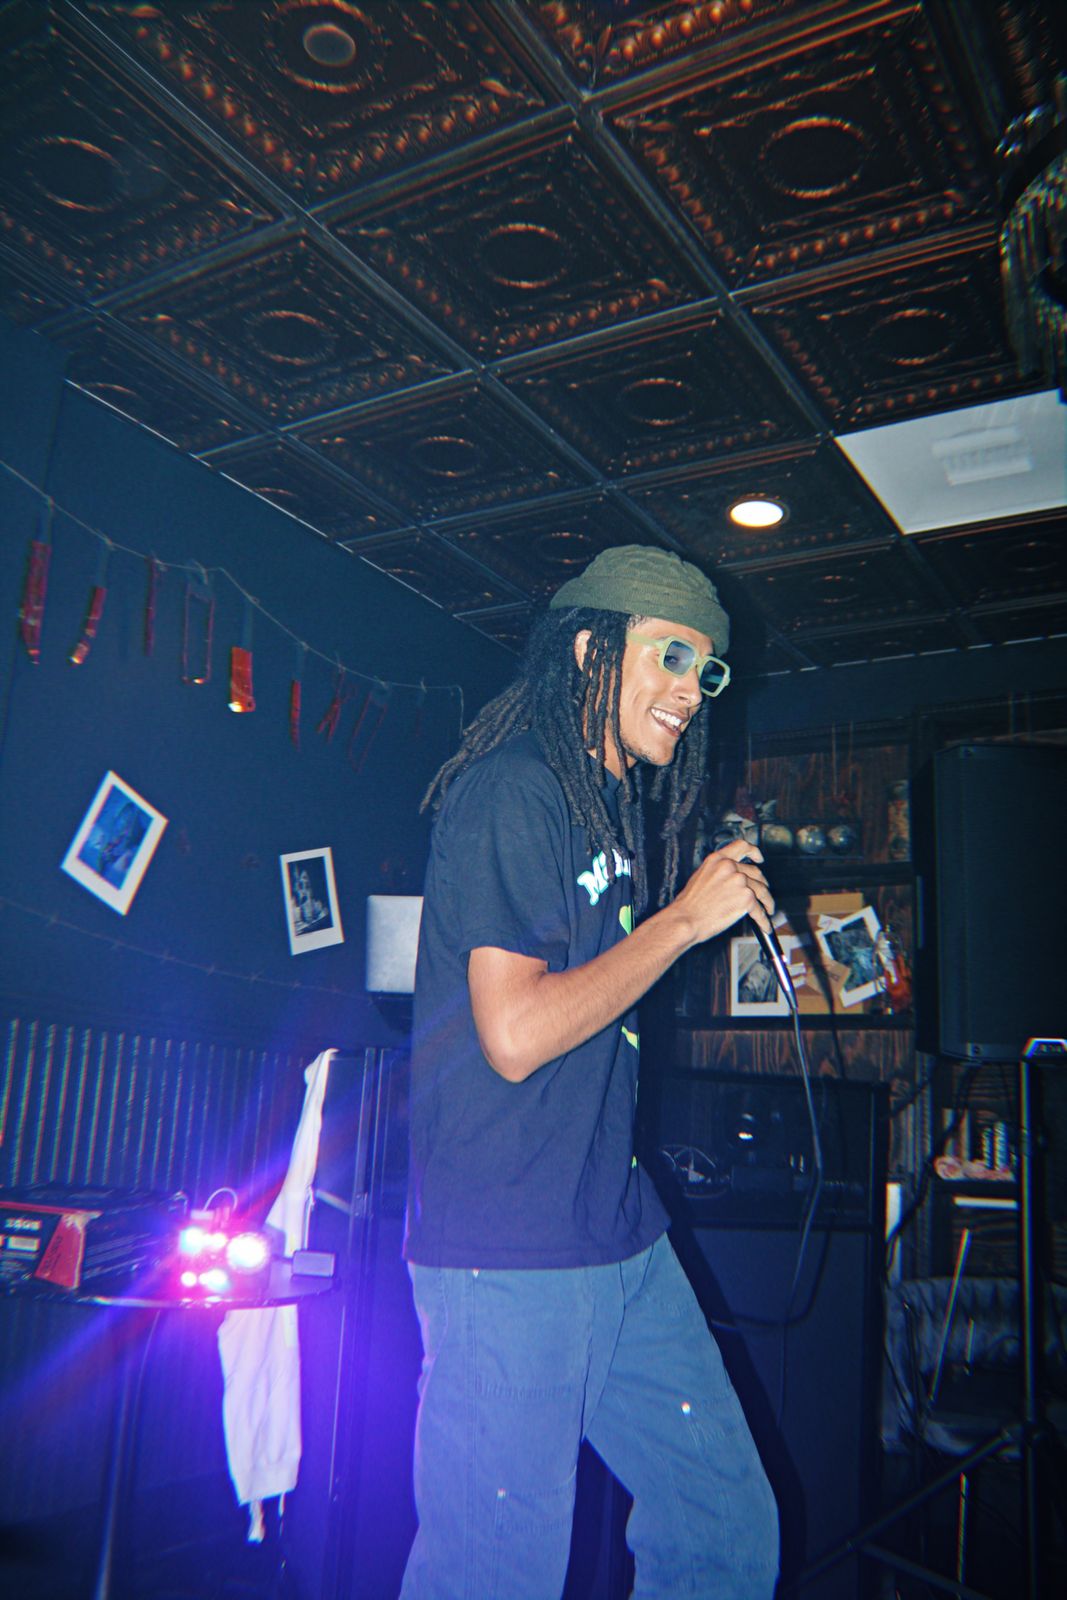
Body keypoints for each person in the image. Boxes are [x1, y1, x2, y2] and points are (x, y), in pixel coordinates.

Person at [400, 545, 779, 1600]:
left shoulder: (605, 809)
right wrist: (681, 924)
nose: (689, 692)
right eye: (669, 656)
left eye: (704, 670)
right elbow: (514, 1033)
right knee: (492, 1574)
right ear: (588, 649)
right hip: (509, 1243)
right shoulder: (514, 787)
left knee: (723, 1524)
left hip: (613, 1229)